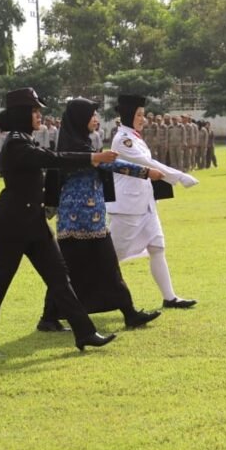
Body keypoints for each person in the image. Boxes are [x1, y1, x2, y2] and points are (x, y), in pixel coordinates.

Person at [0, 89, 118, 358]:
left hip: (33, 223)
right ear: (22, 114)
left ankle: (84, 332)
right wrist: (91, 157)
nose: (40, 115)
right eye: (35, 111)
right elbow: (54, 160)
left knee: (60, 277)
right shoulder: (16, 143)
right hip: (12, 224)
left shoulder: (25, 139)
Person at [38, 98, 163, 332]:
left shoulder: (85, 143)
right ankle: (48, 317)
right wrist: (146, 172)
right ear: (79, 119)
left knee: (108, 266)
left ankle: (129, 312)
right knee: (67, 271)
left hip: (95, 219)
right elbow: (110, 165)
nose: (96, 119)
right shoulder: (71, 149)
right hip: (75, 221)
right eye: (92, 115)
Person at [107, 94, 199, 309]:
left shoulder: (134, 136)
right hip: (127, 207)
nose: (143, 119)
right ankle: (74, 298)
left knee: (157, 247)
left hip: (145, 203)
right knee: (110, 258)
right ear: (129, 115)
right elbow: (147, 163)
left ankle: (170, 298)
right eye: (139, 115)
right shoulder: (123, 139)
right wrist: (179, 177)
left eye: (143, 115)